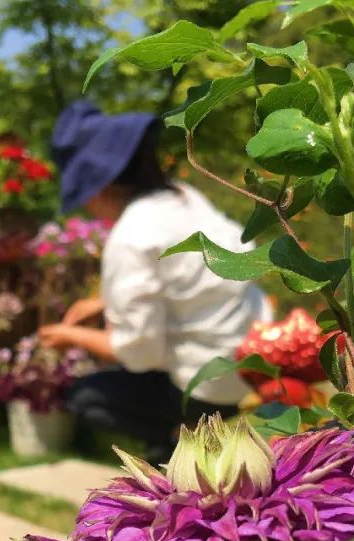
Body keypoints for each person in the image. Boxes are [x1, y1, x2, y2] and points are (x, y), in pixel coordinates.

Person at [38, 100, 272, 463]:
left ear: (98, 189)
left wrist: (71, 337)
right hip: (249, 362)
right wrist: (104, 303)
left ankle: (177, 444)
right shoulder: (183, 197)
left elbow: (140, 352)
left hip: (204, 385)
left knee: (85, 396)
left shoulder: (131, 236)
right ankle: (182, 439)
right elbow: (195, 275)